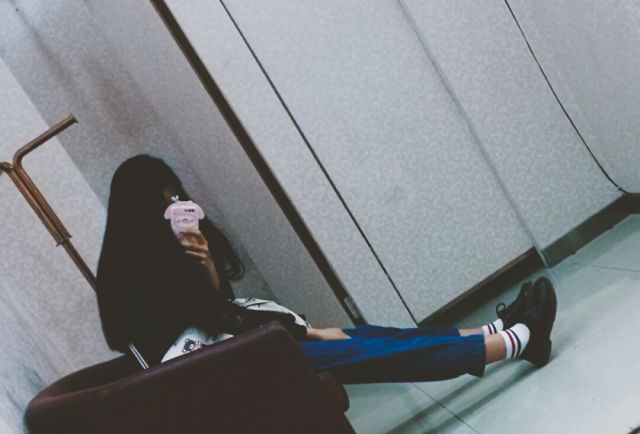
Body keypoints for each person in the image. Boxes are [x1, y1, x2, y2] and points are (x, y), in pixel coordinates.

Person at [96, 155, 557, 383]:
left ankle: (495, 331)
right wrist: (299, 331)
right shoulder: (132, 274)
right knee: (375, 353)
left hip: (249, 349)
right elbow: (207, 326)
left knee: (370, 336)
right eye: (167, 202)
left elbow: (222, 313)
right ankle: (519, 340)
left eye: (179, 198)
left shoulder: (180, 249)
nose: (179, 210)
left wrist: (211, 271)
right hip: (232, 374)